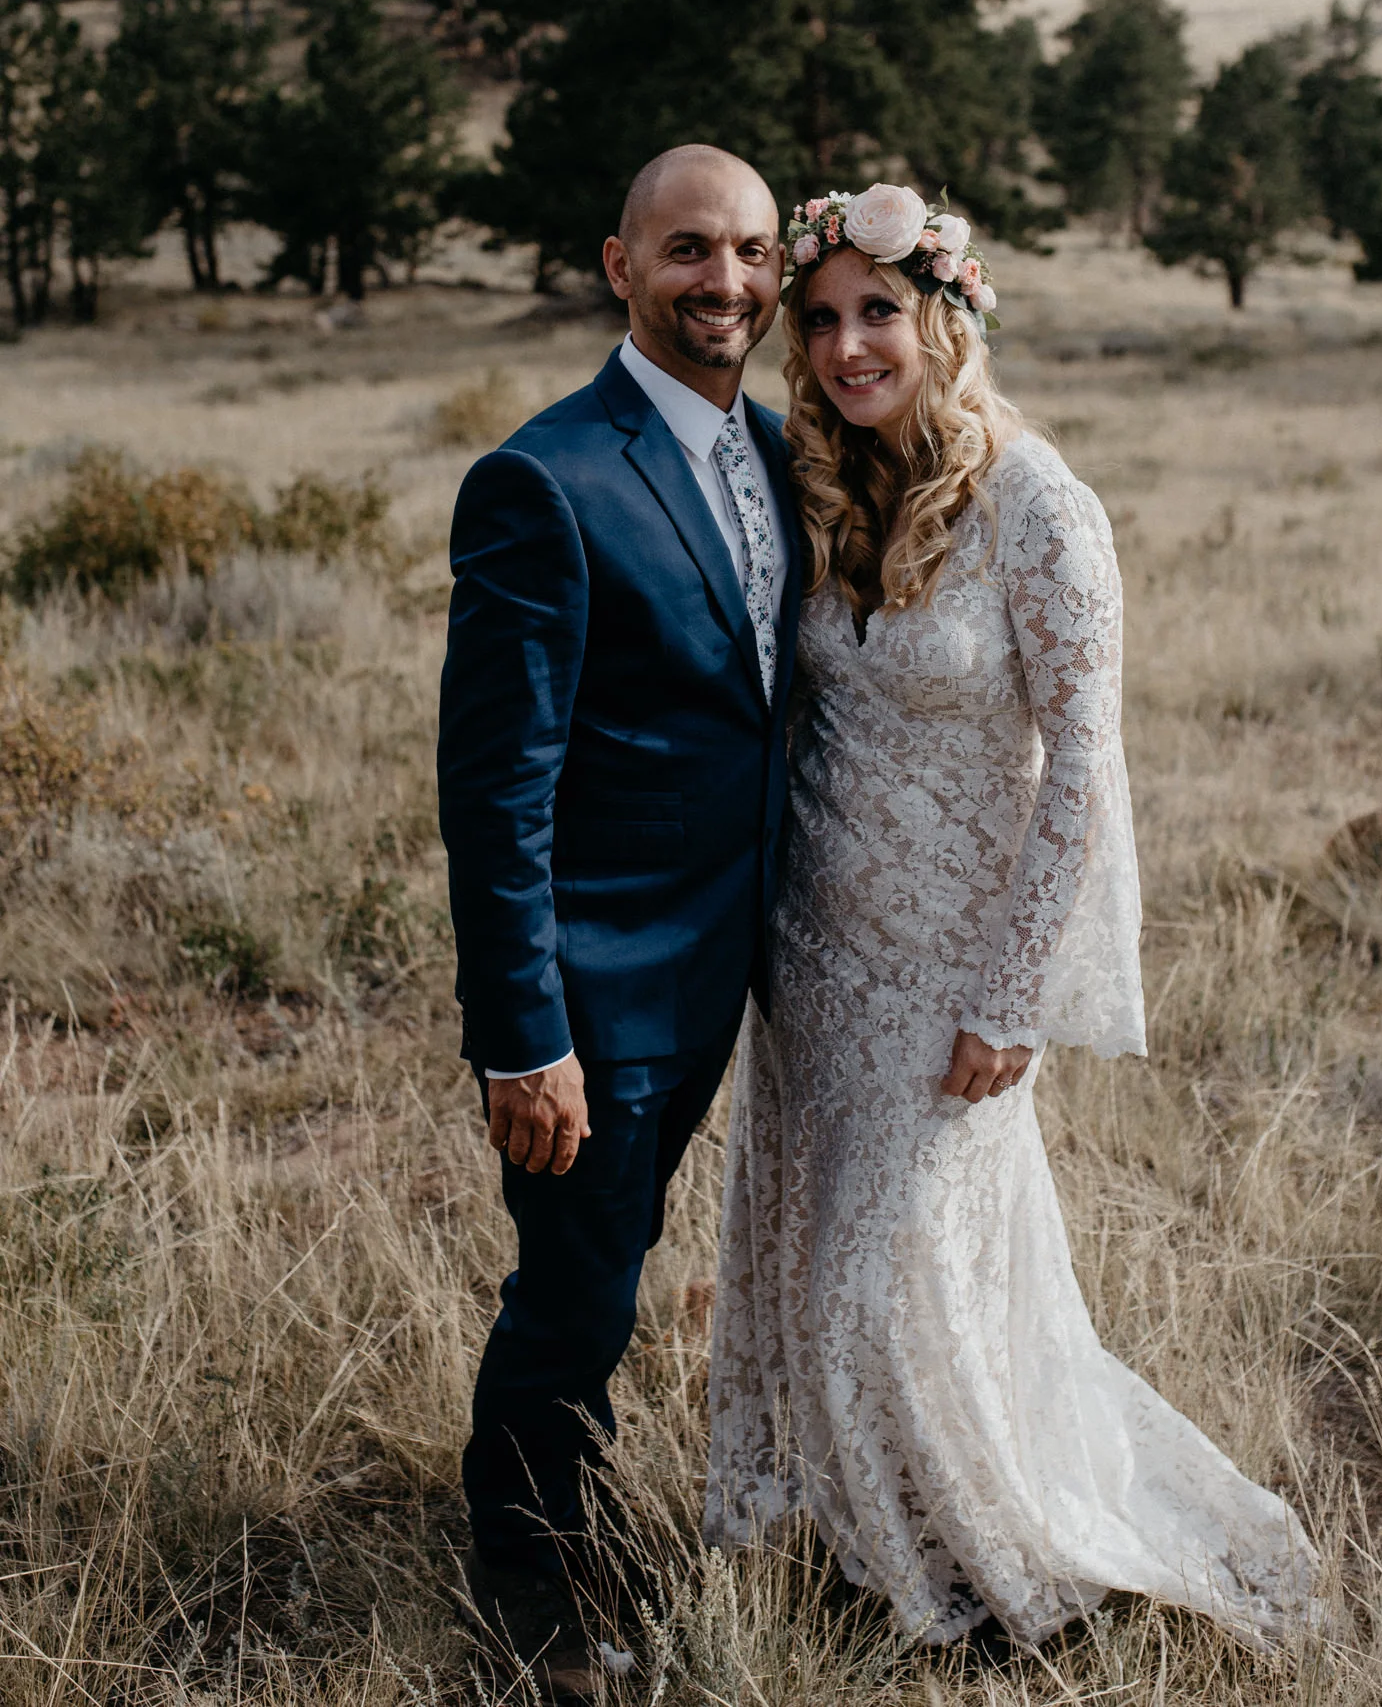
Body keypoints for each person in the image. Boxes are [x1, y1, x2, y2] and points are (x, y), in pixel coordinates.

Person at [705, 182, 1320, 1652]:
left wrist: (1011, 992)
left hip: (951, 966)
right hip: (816, 951)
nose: (851, 346)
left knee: (885, 1274)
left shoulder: (1040, 506)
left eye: (882, 312)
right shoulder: (817, 480)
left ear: (947, 318)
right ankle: (869, 1543)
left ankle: (997, 1578)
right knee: (820, 1263)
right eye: (826, 319)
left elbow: (1083, 772)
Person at [438, 144, 801, 1697]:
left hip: (734, 972)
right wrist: (529, 1039)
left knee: (629, 1259)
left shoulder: (783, 453)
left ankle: (583, 1526)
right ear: (619, 264)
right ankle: (530, 1583)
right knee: (578, 1291)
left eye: (751, 253)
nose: (726, 281)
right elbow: (496, 792)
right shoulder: (545, 479)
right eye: (690, 252)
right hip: (596, 993)